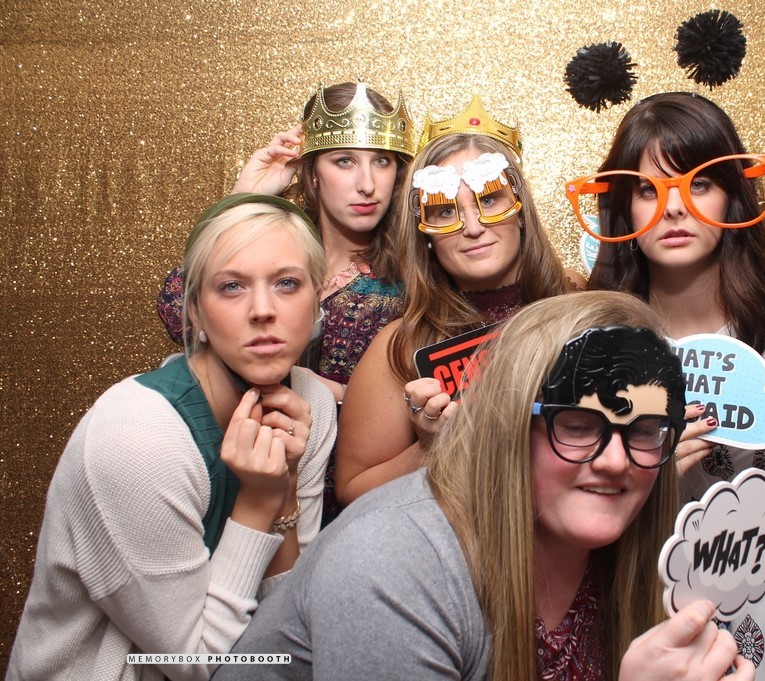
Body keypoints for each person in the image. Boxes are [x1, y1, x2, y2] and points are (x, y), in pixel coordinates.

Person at [216, 290, 754, 681]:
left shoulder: (633, 547)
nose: (616, 462)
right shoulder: (392, 562)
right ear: (509, 426)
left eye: (643, 430)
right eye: (576, 425)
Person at [577, 91, 765, 679]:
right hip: (676, 626)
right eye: (648, 191)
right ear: (623, 208)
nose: (674, 208)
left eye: (700, 183)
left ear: (733, 193)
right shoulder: (599, 337)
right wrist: (640, 478)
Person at [9, 194, 338, 680]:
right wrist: (257, 502)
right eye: (231, 286)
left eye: (287, 283)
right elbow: (194, 663)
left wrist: (285, 482)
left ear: (316, 298)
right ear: (195, 311)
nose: (263, 310)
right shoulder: (137, 438)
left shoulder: (310, 401)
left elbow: (287, 626)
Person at [157, 81, 416, 525]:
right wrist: (243, 200)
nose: (368, 184)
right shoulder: (275, 251)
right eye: (344, 161)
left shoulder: (413, 278)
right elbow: (178, 314)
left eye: (382, 161)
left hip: (354, 504)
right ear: (312, 173)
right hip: (241, 478)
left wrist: (340, 394)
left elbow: (430, 398)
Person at [335, 97, 584, 504]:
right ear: (426, 234)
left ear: (521, 210)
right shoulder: (403, 345)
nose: (472, 227)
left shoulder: (579, 302)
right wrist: (429, 448)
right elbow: (352, 492)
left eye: (489, 200)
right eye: (444, 210)